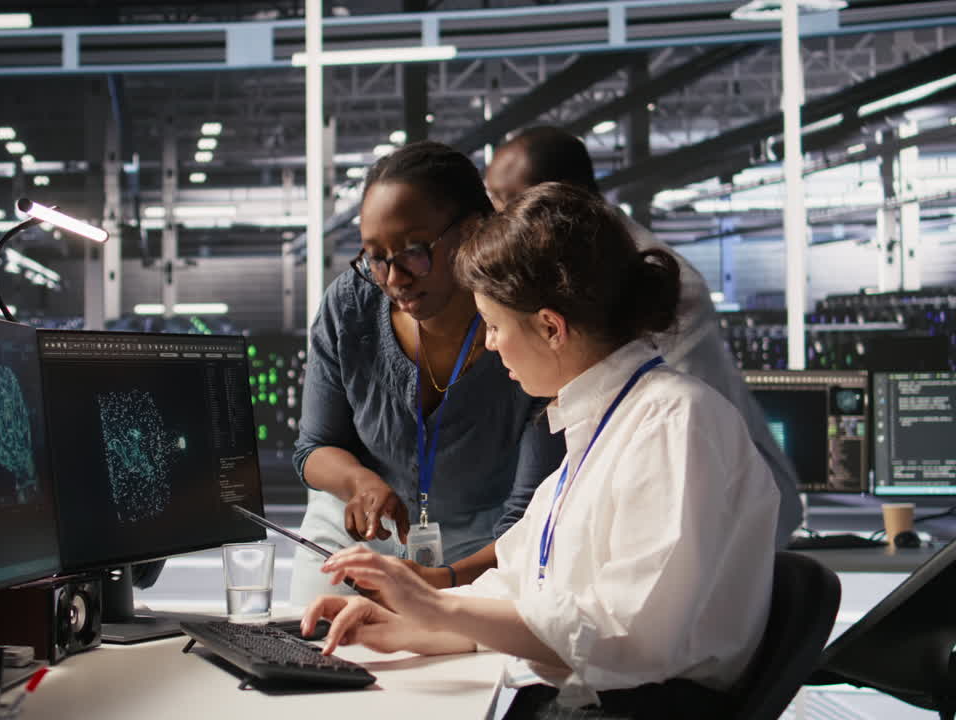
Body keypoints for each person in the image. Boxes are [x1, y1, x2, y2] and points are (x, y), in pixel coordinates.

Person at [302, 182, 780, 719]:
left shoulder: (673, 423)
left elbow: (630, 636)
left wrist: (436, 606)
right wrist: (407, 627)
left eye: (495, 325)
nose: (489, 343)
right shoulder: (598, 428)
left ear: (551, 327)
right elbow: (524, 594)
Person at [407, 126, 802, 591]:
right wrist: (437, 601)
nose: (493, 215)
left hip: (716, 512)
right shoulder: (590, 413)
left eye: (503, 200)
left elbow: (630, 623)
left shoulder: (668, 418)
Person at [288, 141, 565, 604]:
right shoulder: (349, 308)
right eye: (376, 257)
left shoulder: (523, 329)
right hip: (356, 541)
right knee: (315, 652)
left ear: (473, 231)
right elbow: (314, 447)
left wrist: (444, 584)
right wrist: (360, 482)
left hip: (487, 552)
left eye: (413, 252)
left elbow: (527, 516)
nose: (394, 278)